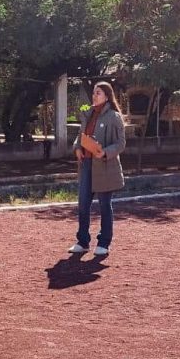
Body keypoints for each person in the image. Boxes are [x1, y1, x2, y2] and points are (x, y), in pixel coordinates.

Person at [69, 82, 126, 257]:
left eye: (98, 93)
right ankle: (83, 241)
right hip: (86, 164)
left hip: (105, 166)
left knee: (104, 205)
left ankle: (104, 243)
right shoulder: (87, 114)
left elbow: (121, 143)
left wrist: (105, 152)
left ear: (107, 96)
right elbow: (81, 137)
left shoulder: (114, 117)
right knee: (83, 204)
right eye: (94, 92)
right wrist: (77, 147)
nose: (94, 95)